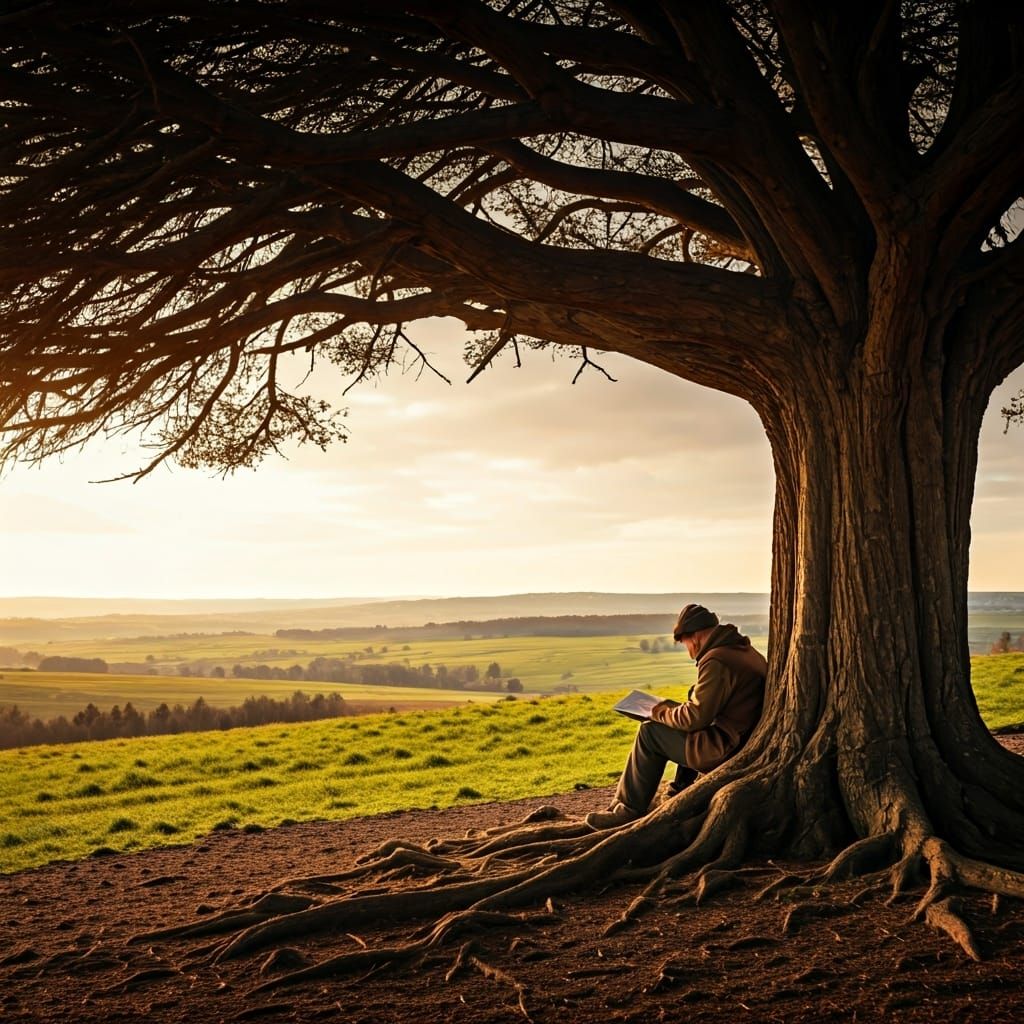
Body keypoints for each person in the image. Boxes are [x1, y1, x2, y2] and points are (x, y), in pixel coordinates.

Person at [585, 603, 767, 831]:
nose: (688, 651)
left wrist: (658, 711)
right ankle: (678, 790)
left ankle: (627, 809)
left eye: (685, 644)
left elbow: (694, 719)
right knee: (675, 723)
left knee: (650, 732)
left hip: (725, 746)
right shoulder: (742, 650)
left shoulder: (716, 661)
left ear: (696, 636)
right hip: (742, 739)